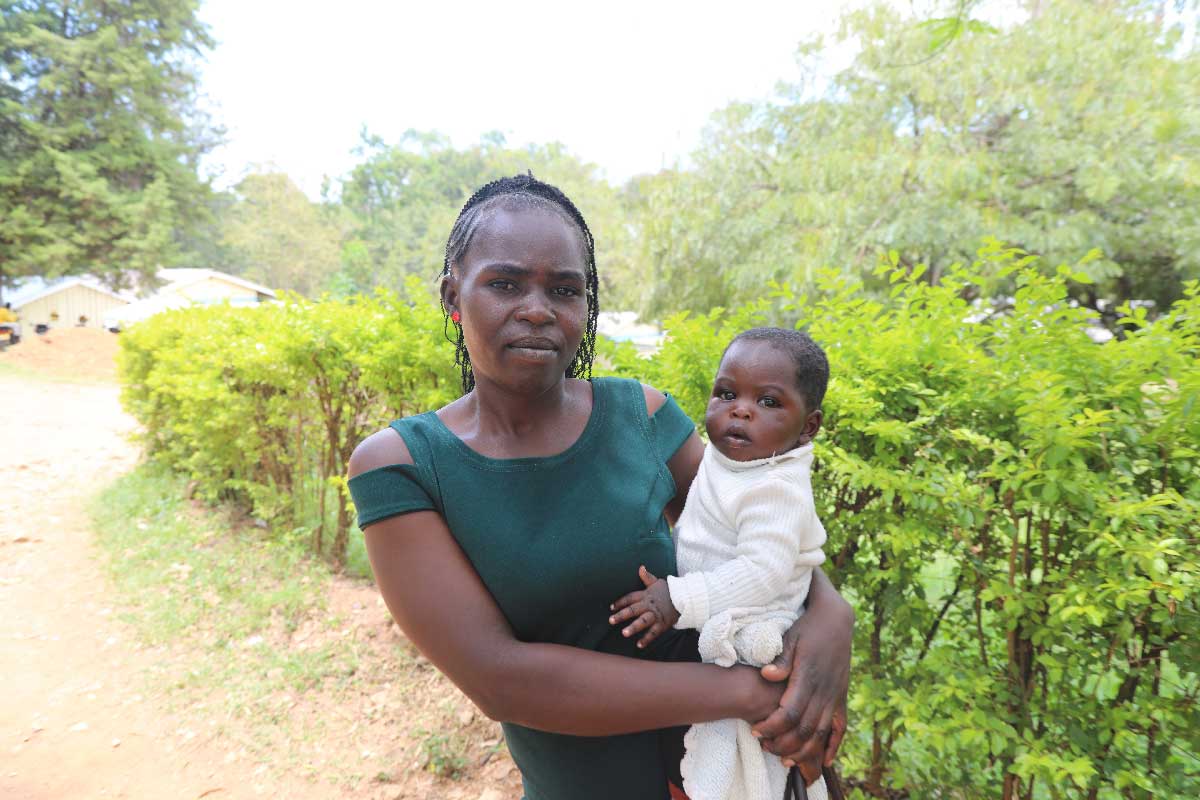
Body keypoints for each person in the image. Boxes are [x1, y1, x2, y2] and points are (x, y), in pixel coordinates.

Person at [346, 174, 854, 800]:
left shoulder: (641, 416)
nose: (538, 309)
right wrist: (751, 692)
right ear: (453, 294)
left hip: (735, 774)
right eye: (505, 284)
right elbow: (501, 680)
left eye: (564, 289)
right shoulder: (402, 465)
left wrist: (832, 618)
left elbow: (760, 533)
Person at [610, 328, 832, 800]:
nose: (741, 410)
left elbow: (762, 573)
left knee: (735, 754)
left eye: (768, 402)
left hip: (753, 629)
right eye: (727, 394)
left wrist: (679, 597)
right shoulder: (731, 460)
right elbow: (705, 532)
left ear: (808, 427)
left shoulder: (777, 489)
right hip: (708, 621)